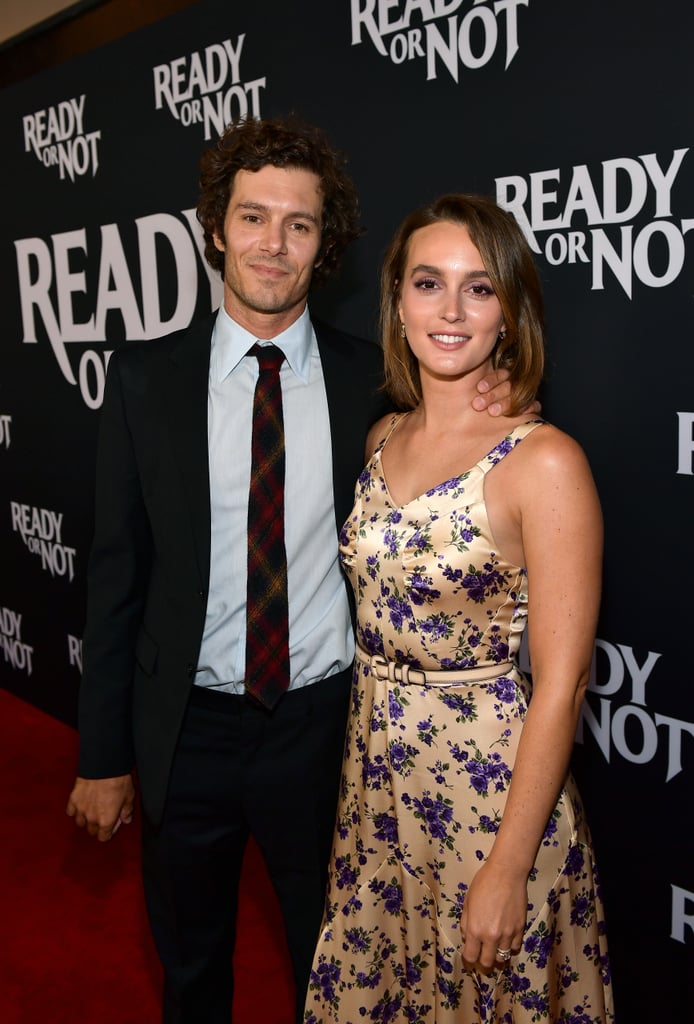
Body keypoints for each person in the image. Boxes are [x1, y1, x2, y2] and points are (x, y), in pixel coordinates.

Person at [65, 123, 516, 1024]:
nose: (274, 243)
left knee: (341, 968)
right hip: (185, 730)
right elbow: (116, 577)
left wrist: (500, 396)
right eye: (253, 217)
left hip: (324, 729)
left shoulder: (377, 385)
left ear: (327, 245)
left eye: (300, 225)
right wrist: (103, 756)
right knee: (192, 971)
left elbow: (472, 428)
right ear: (217, 229)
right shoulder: (146, 381)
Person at [304, 194, 614, 1023]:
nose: (449, 310)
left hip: (490, 801)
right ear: (397, 302)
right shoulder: (379, 439)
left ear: (509, 312)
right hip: (374, 787)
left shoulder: (542, 462)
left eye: (479, 289)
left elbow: (564, 681)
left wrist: (509, 867)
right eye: (427, 283)